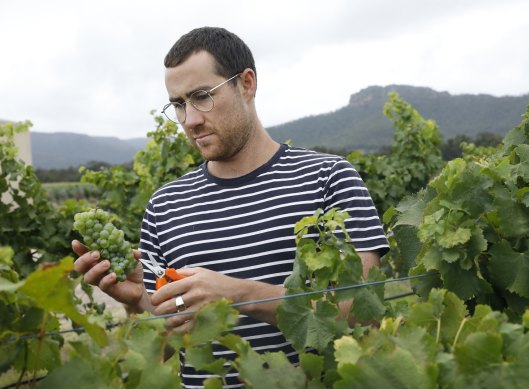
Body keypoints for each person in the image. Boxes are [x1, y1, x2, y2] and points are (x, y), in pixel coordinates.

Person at [73, 26, 389, 388]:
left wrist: (238, 295)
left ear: (247, 84)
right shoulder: (164, 206)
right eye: (178, 104)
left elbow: (364, 313)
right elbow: (164, 346)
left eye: (202, 96)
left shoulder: (328, 179)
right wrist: (138, 304)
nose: (190, 120)